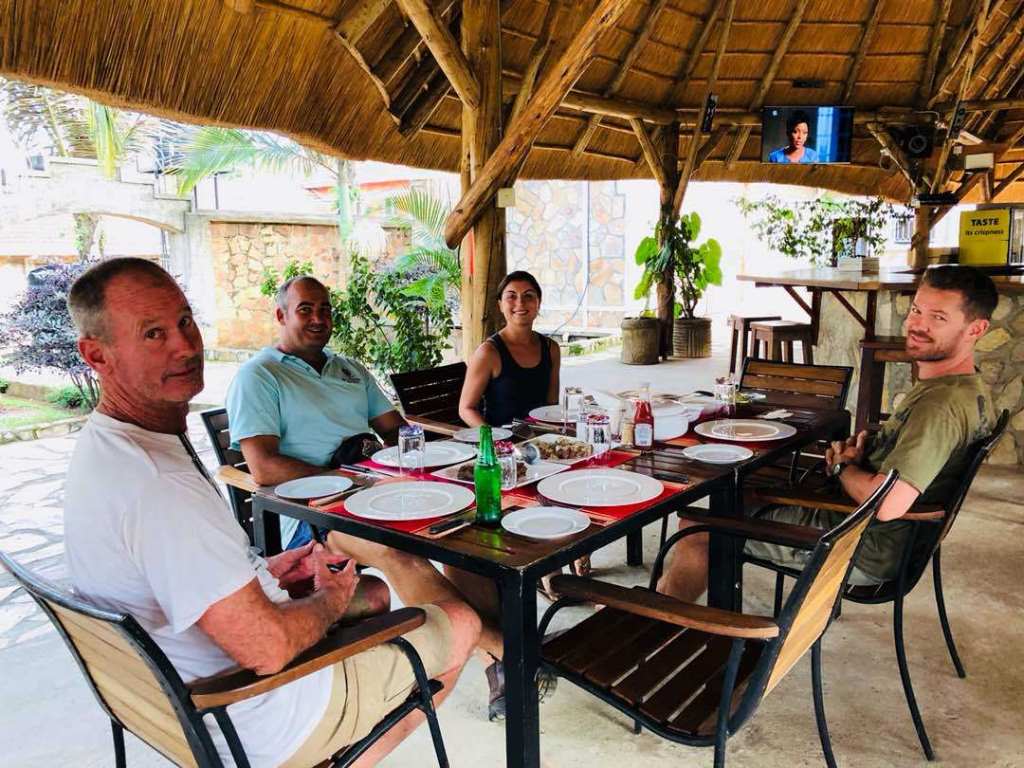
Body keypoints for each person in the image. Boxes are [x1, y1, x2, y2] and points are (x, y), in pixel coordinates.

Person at [62, 258, 480, 767]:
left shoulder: (110, 449)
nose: (186, 346)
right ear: (96, 355)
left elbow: (179, 573)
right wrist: (328, 599)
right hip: (265, 718)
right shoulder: (157, 484)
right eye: (153, 334)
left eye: (185, 321)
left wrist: (264, 573)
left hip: (185, 693)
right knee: (460, 620)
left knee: (373, 593)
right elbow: (268, 649)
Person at [226, 275, 511, 715]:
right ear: (281, 315)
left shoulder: (348, 369)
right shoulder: (260, 376)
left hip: (376, 492)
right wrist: (351, 484)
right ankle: (503, 649)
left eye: (325, 309)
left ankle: (497, 650)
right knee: (400, 553)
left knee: (464, 527)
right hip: (316, 516)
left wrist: (445, 462)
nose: (319, 318)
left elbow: (396, 432)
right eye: (306, 309)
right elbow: (263, 466)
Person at [658, 265, 998, 601]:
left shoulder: (940, 406)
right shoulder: (965, 388)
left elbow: (887, 504)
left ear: (975, 329)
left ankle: (658, 625)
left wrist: (843, 468)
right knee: (742, 497)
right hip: (873, 531)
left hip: (860, 544)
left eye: (938, 317)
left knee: (697, 527)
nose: (917, 324)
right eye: (916, 310)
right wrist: (860, 460)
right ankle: (675, 600)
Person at [458, 270, 561, 427]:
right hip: (501, 443)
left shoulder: (551, 348)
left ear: (538, 302)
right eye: (511, 296)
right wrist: (493, 440)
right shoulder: (488, 352)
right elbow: (466, 409)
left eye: (528, 296)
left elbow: (552, 405)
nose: (520, 303)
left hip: (541, 442)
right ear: (500, 305)